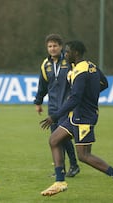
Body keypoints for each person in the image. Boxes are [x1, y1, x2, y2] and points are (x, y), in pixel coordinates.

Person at [39, 40, 113, 199]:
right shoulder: (90, 66)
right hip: (75, 116)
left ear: (76, 53)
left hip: (84, 118)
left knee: (84, 155)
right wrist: (90, 93)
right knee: (54, 140)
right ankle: (60, 182)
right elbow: (104, 83)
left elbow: (74, 99)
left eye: (67, 52)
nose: (65, 55)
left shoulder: (80, 72)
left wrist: (54, 116)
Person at [34, 34, 80, 177]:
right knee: (55, 138)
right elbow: (42, 85)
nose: (52, 48)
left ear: (61, 47)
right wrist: (38, 102)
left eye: (55, 46)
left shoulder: (69, 62)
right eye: (50, 46)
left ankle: (74, 165)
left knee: (63, 137)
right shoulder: (45, 65)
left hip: (66, 107)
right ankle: (60, 169)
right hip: (52, 107)